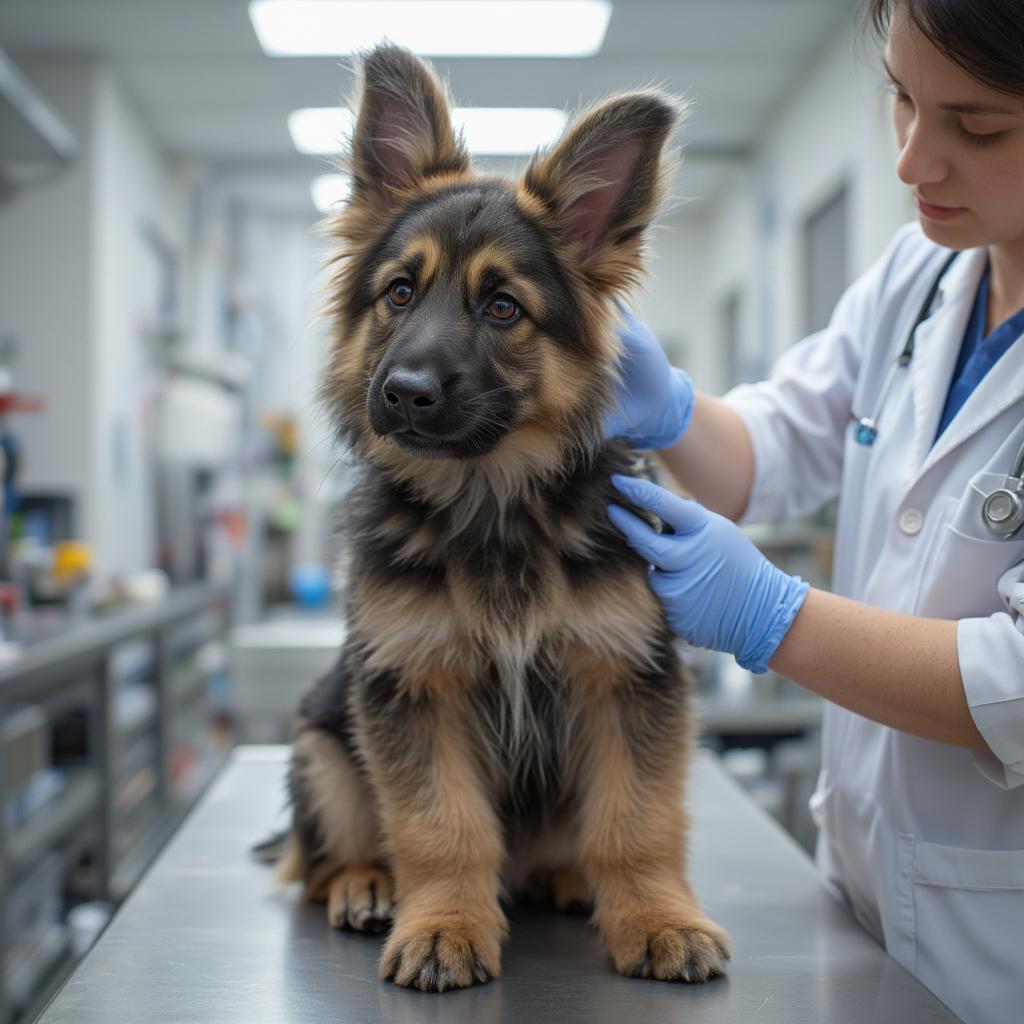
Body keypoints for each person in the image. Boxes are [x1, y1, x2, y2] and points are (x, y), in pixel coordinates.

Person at [604, 2, 1024, 1021]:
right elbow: (769, 452)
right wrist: (667, 408)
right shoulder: (918, 276)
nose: (912, 162)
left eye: (976, 128)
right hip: (868, 894)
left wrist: (771, 617)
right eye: (899, 98)